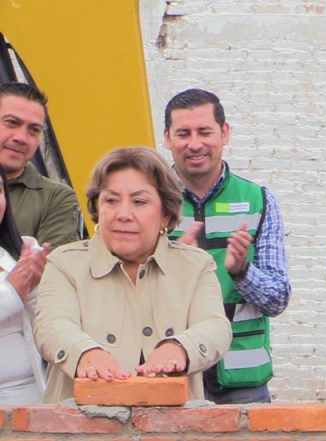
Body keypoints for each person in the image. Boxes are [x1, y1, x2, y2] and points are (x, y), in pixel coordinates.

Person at [33, 147, 231, 402]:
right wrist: (85, 353)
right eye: (111, 200)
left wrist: (179, 347)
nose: (123, 215)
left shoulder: (196, 266)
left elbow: (215, 327)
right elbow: (51, 325)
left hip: (171, 431)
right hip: (78, 431)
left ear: (166, 214)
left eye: (139, 202)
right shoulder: (64, 263)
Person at [164, 88, 291, 404]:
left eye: (205, 132)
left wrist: (241, 271)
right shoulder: (148, 201)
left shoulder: (258, 200)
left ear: (225, 133)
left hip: (242, 386)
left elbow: (277, 300)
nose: (195, 144)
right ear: (167, 138)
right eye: (183, 133)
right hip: (169, 376)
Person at [0, 83, 81, 247]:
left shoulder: (55, 198)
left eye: (34, 130)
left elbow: (49, 269)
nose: (22, 138)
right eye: (12, 123)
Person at [0, 170, 50, 404]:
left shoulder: (15, 253)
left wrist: (35, 286)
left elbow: (43, 327)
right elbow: (11, 296)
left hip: (30, 399)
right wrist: (11, 293)